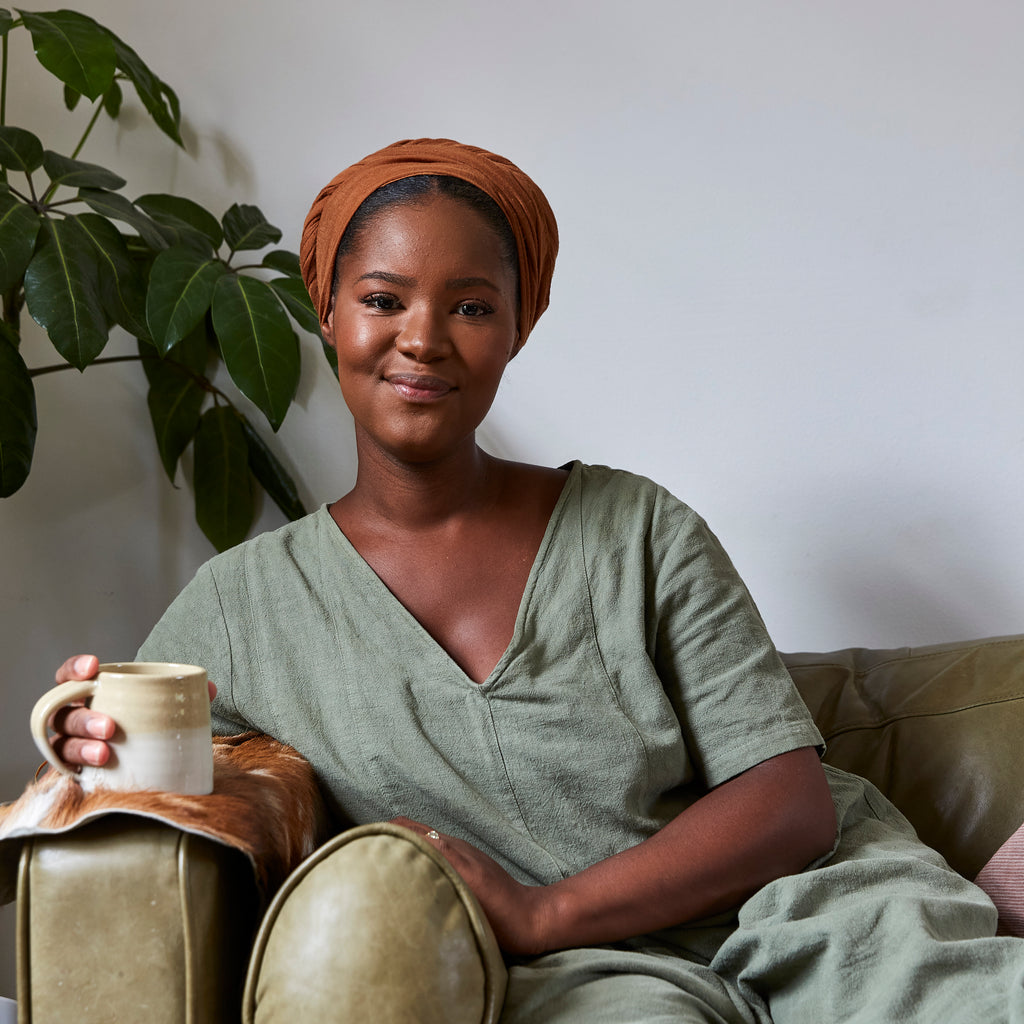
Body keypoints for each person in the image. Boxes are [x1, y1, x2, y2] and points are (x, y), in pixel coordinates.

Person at [51, 139, 1024, 1022]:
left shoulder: (637, 529)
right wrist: (79, 731)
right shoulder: (241, 604)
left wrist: (544, 907)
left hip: (812, 909)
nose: (423, 338)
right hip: (583, 981)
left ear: (519, 326)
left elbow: (788, 802)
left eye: (470, 305)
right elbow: (164, 771)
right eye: (384, 298)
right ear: (328, 311)